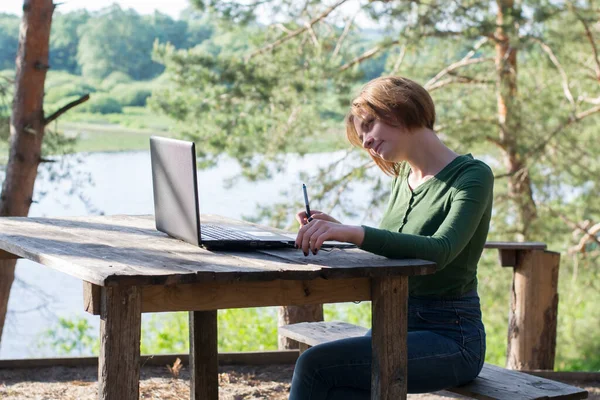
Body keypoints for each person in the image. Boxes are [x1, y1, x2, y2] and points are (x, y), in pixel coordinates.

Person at [290, 76, 493, 399]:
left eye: (369, 126)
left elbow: (440, 251)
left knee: (315, 365)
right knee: (339, 388)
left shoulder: (472, 176)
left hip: (452, 338)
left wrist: (354, 233)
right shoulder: (403, 177)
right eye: (362, 136)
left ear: (399, 109)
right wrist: (337, 229)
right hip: (394, 322)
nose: (367, 142)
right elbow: (398, 246)